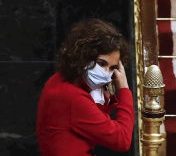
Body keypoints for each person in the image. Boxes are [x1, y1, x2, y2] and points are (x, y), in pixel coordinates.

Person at [36, 19, 134, 155]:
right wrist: (124, 89)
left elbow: (96, 124)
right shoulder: (74, 97)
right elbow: (123, 140)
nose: (106, 73)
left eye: (112, 68)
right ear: (85, 56)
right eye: (101, 63)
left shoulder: (59, 79)